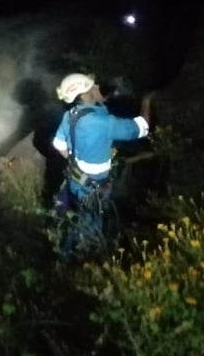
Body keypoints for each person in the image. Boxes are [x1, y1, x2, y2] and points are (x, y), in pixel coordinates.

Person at [51, 72, 151, 257]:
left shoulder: (70, 115)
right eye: (93, 86)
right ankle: (76, 262)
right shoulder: (103, 122)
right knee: (90, 224)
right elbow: (142, 127)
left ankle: (66, 252)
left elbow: (59, 146)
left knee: (80, 216)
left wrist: (79, 153)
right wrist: (147, 100)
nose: (97, 87)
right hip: (93, 186)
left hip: (75, 179)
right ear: (85, 93)